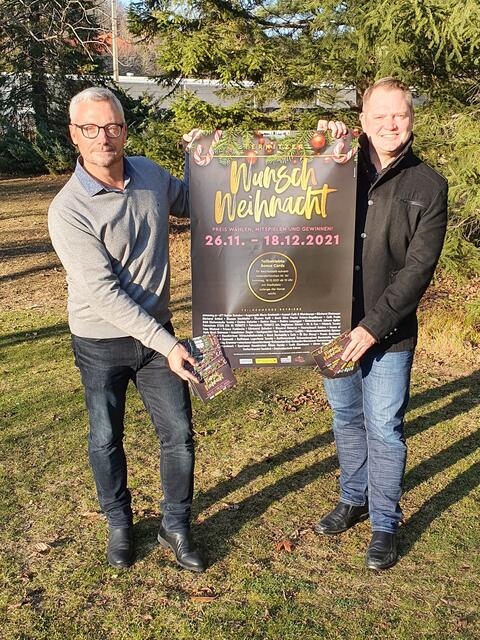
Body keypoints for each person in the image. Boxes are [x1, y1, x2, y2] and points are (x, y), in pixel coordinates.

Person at [48, 87, 205, 572]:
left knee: (178, 434)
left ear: (125, 129)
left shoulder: (150, 175)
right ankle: (120, 524)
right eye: (90, 128)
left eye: (112, 126)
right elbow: (104, 294)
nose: (103, 137)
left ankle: (174, 526)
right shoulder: (68, 208)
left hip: (159, 337)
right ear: (75, 135)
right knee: (104, 437)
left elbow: (201, 204)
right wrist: (169, 344)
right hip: (101, 340)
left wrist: (205, 159)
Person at [314, 78, 448, 570]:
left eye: (400, 115)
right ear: (364, 121)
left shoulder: (428, 186)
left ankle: (385, 522)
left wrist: (371, 327)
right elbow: (286, 200)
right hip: (331, 327)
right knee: (346, 419)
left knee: (385, 427)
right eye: (380, 116)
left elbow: (418, 271)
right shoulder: (336, 168)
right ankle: (355, 497)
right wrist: (321, 144)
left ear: (411, 119)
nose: (392, 124)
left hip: (388, 333)